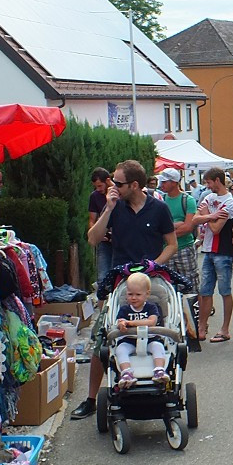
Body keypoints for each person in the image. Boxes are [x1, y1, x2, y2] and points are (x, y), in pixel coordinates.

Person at [72, 160, 177, 420]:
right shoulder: (115, 207)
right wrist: (108, 208)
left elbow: (172, 244)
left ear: (134, 185)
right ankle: (92, 398)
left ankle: (162, 383)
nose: (112, 186)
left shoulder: (159, 209)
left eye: (117, 183)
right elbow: (93, 239)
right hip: (121, 281)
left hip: (151, 281)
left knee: (163, 332)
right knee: (102, 338)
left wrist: (155, 265)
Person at [192, 168, 233, 343]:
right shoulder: (209, 198)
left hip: (223, 251)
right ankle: (202, 327)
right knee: (205, 291)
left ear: (217, 180)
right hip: (208, 249)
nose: (207, 186)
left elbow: (216, 228)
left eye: (209, 182)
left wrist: (206, 216)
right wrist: (211, 216)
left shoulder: (229, 202)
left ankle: (225, 329)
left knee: (225, 290)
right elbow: (195, 219)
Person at [113, 272, 168, 388]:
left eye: (138, 294)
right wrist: (122, 324)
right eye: (130, 294)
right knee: (120, 350)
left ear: (147, 294)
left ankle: (159, 371)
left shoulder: (151, 307)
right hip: (129, 340)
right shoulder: (124, 309)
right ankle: (126, 373)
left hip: (150, 338)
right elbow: (120, 321)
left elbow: (151, 322)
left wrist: (130, 323)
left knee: (158, 347)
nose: (133, 298)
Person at [158, 168, 200, 289]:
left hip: (184, 248)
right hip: (166, 250)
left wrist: (166, 234)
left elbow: (187, 227)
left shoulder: (188, 200)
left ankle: (195, 307)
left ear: (174, 182)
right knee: (168, 285)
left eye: (165, 182)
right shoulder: (161, 200)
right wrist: (177, 225)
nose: (162, 185)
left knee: (190, 283)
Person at [88, 168, 114, 283]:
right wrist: (95, 233)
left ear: (107, 181)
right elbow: (92, 219)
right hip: (104, 239)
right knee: (102, 275)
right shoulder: (94, 196)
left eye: (100, 186)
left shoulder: (118, 193)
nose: (98, 189)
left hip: (120, 239)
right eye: (96, 187)